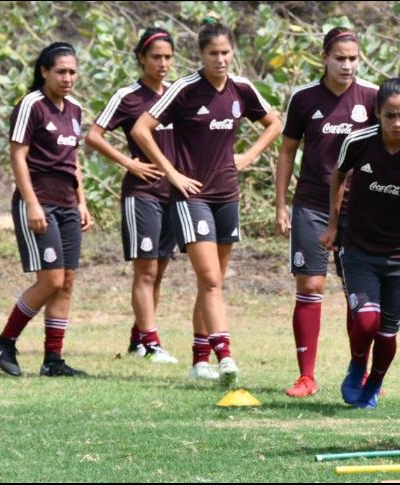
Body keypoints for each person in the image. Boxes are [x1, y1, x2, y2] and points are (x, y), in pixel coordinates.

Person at [132, 20, 282, 386]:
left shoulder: (241, 90)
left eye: (225, 52)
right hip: (192, 196)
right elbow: (140, 129)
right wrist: (171, 172)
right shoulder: (185, 89)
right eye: (213, 53)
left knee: (212, 283)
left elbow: (274, 123)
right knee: (211, 279)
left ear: (233, 53)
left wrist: (248, 155)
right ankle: (225, 354)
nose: (220, 59)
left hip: (227, 194)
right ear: (201, 54)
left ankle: (200, 359)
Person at [321, 76, 400, 408]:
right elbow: (338, 176)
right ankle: (356, 365)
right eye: (390, 115)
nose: (397, 122)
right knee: (366, 321)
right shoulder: (358, 141)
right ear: (377, 112)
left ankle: (374, 383)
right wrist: (334, 224)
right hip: (359, 249)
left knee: (388, 331)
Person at [275, 27, 378, 398]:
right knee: (311, 285)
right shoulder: (304, 98)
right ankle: (306, 376)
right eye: (340, 58)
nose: (347, 65)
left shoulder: (373, 97)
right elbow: (287, 151)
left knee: (358, 293)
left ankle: (359, 373)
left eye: (353, 58)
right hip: (312, 205)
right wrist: (281, 203)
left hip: (359, 210)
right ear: (325, 57)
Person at [0, 42, 94, 377]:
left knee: (67, 282)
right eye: (60, 71)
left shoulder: (75, 109)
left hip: (67, 203)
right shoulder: (31, 105)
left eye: (72, 72)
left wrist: (82, 202)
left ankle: (53, 360)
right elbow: (17, 155)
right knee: (50, 279)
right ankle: (6, 340)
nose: (67, 78)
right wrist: (32, 202)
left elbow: (73, 161)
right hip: (38, 202)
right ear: (44, 72)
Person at [85, 28, 178, 364]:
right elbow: (94, 135)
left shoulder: (176, 94)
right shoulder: (128, 96)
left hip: (173, 194)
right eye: (156, 57)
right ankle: (152, 344)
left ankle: (138, 339)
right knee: (146, 270)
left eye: (168, 57)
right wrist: (129, 163)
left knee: (160, 270)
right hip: (142, 194)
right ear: (141, 58)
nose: (163, 63)